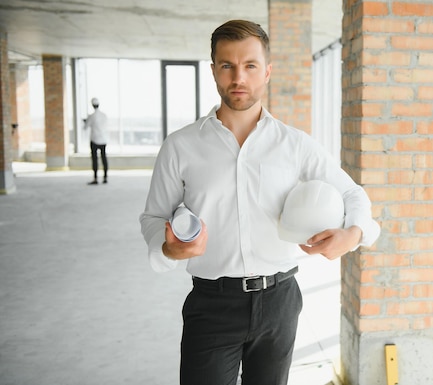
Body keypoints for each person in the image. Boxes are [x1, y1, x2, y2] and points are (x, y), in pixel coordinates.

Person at [139, 19, 380, 385]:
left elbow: (353, 193)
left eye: (250, 65)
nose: (239, 77)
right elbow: (154, 216)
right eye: (227, 65)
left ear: (266, 71)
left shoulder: (295, 144)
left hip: (280, 301)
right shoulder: (180, 146)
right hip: (212, 304)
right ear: (214, 71)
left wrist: (354, 234)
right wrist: (169, 250)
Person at [83, 97, 109, 185]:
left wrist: (85, 121)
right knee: (104, 158)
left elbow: (86, 127)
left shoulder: (92, 116)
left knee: (95, 160)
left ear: (92, 105)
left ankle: (95, 178)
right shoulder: (104, 115)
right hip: (103, 139)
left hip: (94, 140)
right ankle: (105, 177)